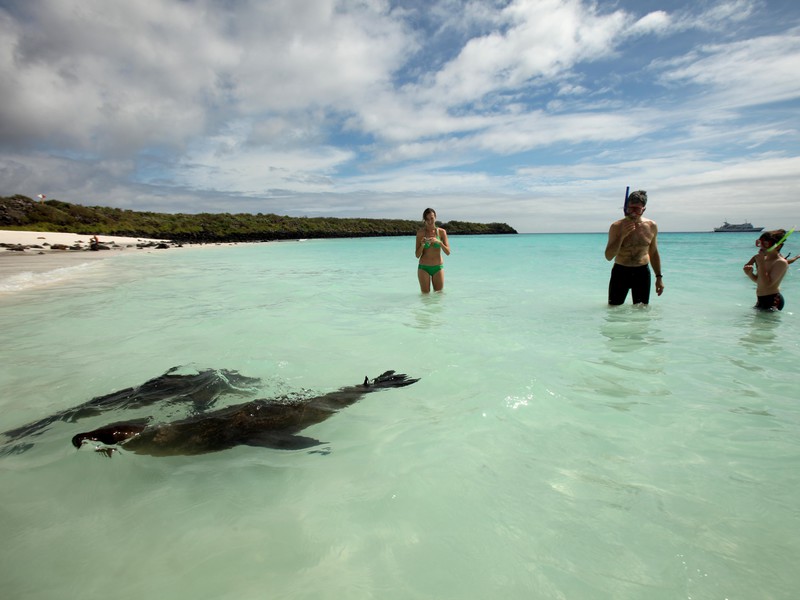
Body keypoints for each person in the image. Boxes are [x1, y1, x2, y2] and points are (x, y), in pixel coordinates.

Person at [604, 190, 664, 305]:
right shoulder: (616, 227)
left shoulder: (651, 226)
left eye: (637, 209)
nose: (633, 213)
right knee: (614, 311)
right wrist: (622, 235)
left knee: (641, 312)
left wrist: (659, 277)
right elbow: (608, 256)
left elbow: (654, 252)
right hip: (621, 272)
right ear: (626, 207)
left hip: (642, 273)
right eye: (630, 208)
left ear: (644, 209)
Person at [743, 229, 790, 311]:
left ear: (778, 246)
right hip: (760, 299)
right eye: (760, 243)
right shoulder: (764, 260)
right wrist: (750, 274)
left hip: (773, 301)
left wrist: (761, 264)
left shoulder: (780, 262)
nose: (762, 247)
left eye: (766, 244)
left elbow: (767, 284)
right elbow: (759, 281)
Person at [415, 208, 450, 293]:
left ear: (435, 217)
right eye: (427, 219)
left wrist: (440, 242)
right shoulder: (420, 233)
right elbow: (417, 255)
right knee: (425, 297)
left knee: (438, 296)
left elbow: (448, 252)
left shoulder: (442, 232)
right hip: (423, 268)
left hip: (438, 267)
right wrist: (422, 245)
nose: (430, 221)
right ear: (424, 220)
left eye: (432, 218)